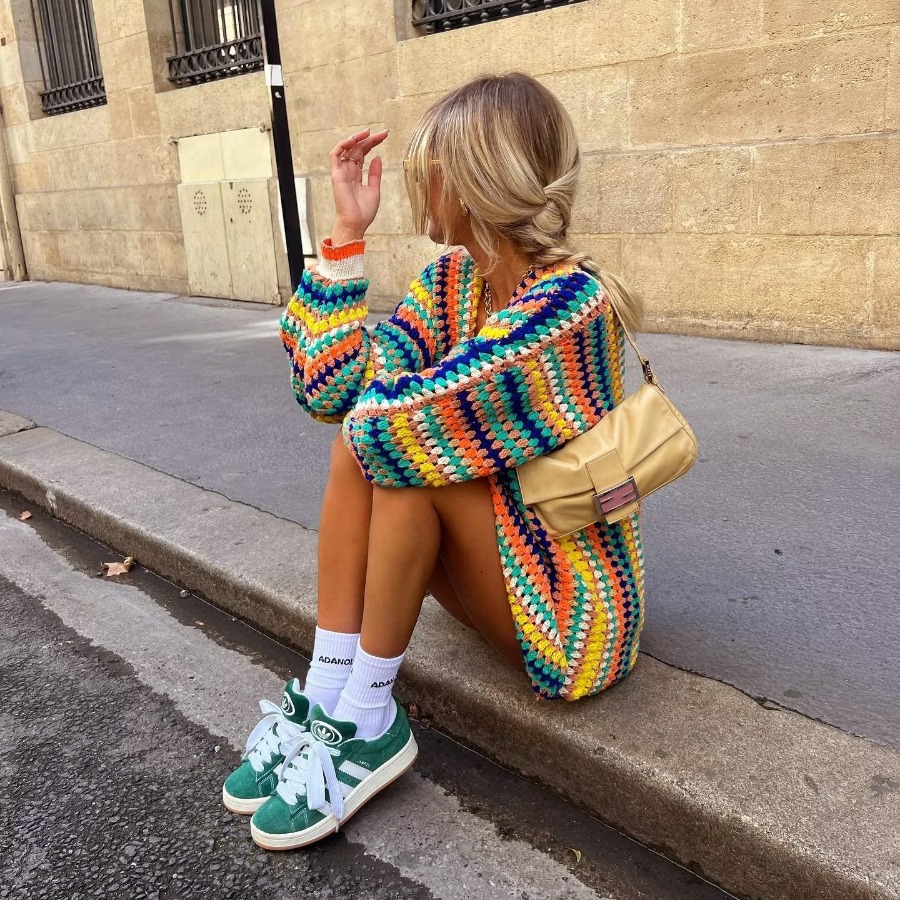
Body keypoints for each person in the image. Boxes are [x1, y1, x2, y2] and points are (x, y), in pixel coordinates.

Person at [223, 72, 646, 851]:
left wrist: (373, 405)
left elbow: (387, 427)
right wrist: (345, 238)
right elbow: (332, 389)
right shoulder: (455, 283)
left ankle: (368, 718)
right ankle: (329, 695)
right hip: (498, 567)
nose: (416, 179)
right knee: (376, 442)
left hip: (570, 611)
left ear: (480, 178)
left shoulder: (569, 308)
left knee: (395, 457)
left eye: (430, 164)